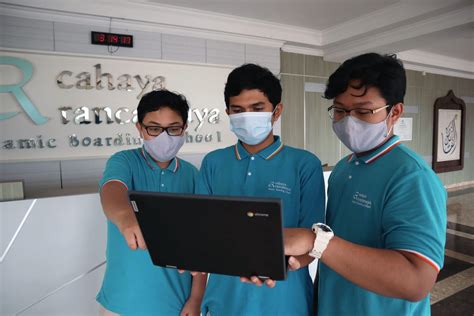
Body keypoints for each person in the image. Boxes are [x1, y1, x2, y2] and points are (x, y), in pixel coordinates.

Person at [244, 53, 447, 316]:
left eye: (363, 111)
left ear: (395, 112)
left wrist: (314, 241)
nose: (349, 121)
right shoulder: (344, 169)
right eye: (340, 110)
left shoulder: (411, 176)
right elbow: (335, 260)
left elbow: (416, 282)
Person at [197, 63, 326, 315]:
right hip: (224, 300)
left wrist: (288, 264)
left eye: (257, 109)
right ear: (228, 112)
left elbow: (314, 240)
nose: (246, 116)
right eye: (238, 110)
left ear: (276, 111)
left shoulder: (304, 164)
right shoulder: (213, 163)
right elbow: (203, 230)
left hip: (285, 301)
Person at [97, 90, 206, 316]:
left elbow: (202, 248)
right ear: (140, 128)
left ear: (184, 129)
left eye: (173, 128)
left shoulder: (193, 176)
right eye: (154, 128)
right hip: (122, 302)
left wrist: (196, 300)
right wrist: (126, 217)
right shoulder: (124, 161)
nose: (163, 137)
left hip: (177, 304)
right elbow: (112, 190)